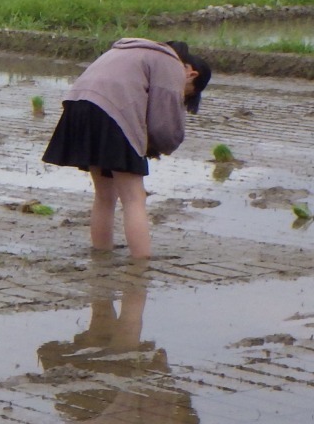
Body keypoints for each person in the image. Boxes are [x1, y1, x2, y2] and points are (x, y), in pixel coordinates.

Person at [41, 38, 210, 260]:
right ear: (191, 73)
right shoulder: (170, 63)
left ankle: (101, 252)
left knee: (105, 194)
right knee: (134, 197)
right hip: (113, 113)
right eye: (186, 93)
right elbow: (164, 123)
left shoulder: (128, 50)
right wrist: (156, 147)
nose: (181, 93)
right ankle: (141, 263)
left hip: (78, 107)